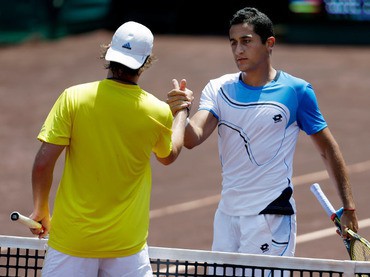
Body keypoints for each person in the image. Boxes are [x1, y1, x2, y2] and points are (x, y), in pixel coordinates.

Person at [167, 6, 359, 261]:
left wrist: (349, 207)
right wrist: (181, 110)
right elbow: (192, 138)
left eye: (246, 42)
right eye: (233, 43)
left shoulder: (296, 91)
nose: (238, 50)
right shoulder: (218, 88)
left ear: (269, 43)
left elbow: (328, 149)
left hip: (272, 217)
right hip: (227, 218)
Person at [29, 21, 193, 276]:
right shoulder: (157, 111)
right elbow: (168, 155)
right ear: (146, 60)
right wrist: (181, 112)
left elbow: (43, 163)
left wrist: (40, 209)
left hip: (72, 241)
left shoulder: (74, 97)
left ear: (109, 53)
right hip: (127, 246)